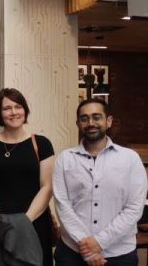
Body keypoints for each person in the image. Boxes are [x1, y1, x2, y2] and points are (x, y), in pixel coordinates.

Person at [52, 98, 147, 266]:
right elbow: (63, 206)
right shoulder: (65, 159)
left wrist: (99, 242)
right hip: (72, 254)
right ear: (78, 123)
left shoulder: (130, 159)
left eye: (97, 117)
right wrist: (88, 249)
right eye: (84, 118)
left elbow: (134, 208)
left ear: (108, 121)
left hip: (120, 254)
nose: (90, 123)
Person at [0, 88, 55, 266]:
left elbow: (47, 186)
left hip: (34, 222)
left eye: (18, 107)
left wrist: (24, 221)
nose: (13, 112)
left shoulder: (42, 144)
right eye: (7, 108)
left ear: (25, 110)